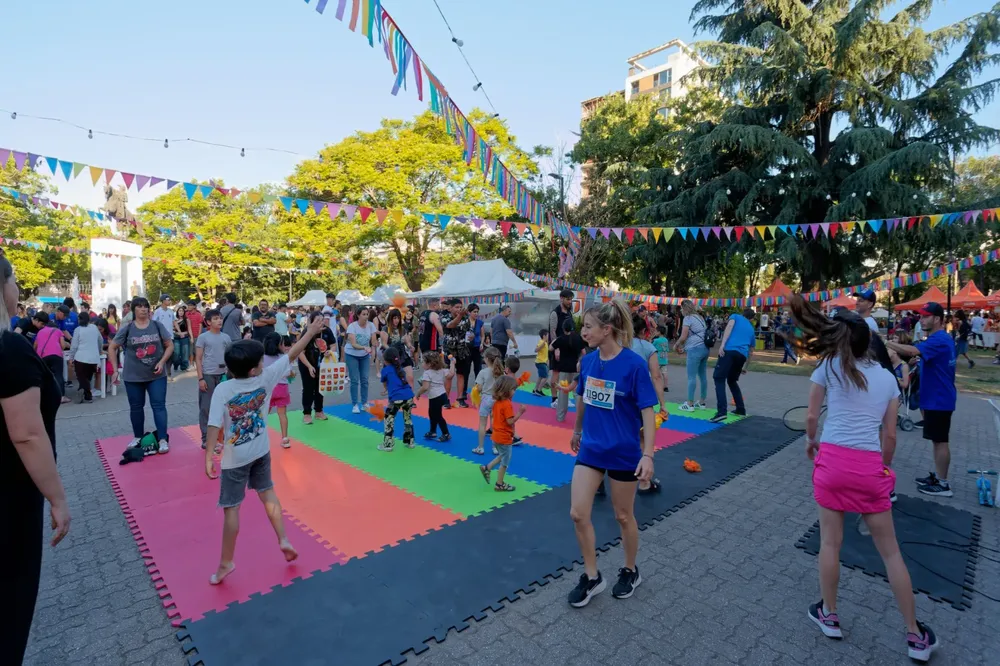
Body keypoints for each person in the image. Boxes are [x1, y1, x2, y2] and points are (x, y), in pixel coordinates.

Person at [787, 296, 938, 662]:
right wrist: (884, 468)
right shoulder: (887, 379)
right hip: (869, 467)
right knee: (890, 553)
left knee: (830, 544)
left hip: (832, 464)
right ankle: (915, 636)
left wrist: (811, 443)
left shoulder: (829, 367)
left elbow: (810, 417)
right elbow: (890, 437)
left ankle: (830, 615)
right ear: (869, 341)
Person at [204, 315, 326, 585]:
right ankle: (282, 538)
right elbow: (292, 353)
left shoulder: (224, 389)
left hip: (235, 460)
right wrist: (310, 332)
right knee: (268, 494)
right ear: (254, 369)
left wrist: (209, 455)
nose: (264, 363)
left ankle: (226, 563)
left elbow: (213, 425)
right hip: (260, 452)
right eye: (260, 361)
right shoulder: (266, 379)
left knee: (231, 509)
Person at [0, 252, 71, 664]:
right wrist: (58, 499)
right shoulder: (9, 350)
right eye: (15, 283)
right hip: (11, 496)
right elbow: (27, 434)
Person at [567, 300, 657, 607]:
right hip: (591, 449)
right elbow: (582, 398)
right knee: (578, 514)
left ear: (607, 329)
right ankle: (592, 577)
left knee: (622, 515)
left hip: (623, 452)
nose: (584, 332)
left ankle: (631, 570)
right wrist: (577, 430)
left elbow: (647, 411)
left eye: (589, 327)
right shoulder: (589, 362)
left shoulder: (634, 365)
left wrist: (648, 455)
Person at [886, 302, 957, 497]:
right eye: (921, 316)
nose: (921, 319)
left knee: (941, 441)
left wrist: (887, 343)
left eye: (925, 316)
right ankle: (939, 476)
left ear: (937, 319)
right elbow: (922, 357)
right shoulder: (939, 339)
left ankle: (943, 484)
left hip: (939, 399)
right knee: (936, 440)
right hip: (936, 398)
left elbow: (911, 350)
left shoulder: (939, 339)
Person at [109, 297, 174, 453]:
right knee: (136, 408)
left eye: (146, 306)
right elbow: (112, 348)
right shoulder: (127, 328)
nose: (143, 309)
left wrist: (162, 362)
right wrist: (115, 370)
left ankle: (163, 439)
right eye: (139, 307)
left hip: (156, 375)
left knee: (158, 406)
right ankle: (138, 436)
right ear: (134, 310)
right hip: (133, 376)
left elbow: (169, 345)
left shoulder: (157, 326)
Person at [478, 376, 525, 492]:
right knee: (505, 462)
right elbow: (510, 421)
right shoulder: (507, 404)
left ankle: (487, 467)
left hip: (496, 435)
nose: (515, 392)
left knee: (503, 455)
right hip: (504, 437)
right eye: (513, 390)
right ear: (507, 390)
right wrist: (520, 413)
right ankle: (499, 484)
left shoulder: (497, 402)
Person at [711, 308, 756, 423]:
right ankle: (740, 409)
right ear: (751, 318)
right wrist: (745, 367)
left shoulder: (735, 317)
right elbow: (751, 351)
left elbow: (729, 327)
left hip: (730, 351)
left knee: (719, 378)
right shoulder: (751, 329)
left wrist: (723, 345)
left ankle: (721, 412)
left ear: (743, 314)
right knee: (732, 381)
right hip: (741, 356)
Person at [196, 309, 233, 448]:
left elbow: (230, 357)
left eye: (220, 318)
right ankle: (206, 438)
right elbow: (198, 359)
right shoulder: (203, 337)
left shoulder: (226, 338)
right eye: (216, 318)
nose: (219, 321)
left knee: (226, 407)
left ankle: (223, 436)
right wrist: (201, 378)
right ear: (208, 322)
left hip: (223, 375)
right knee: (206, 407)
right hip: (208, 375)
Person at [675, 299, 710, 411]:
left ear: (684, 308)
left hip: (694, 349)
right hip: (705, 348)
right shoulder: (700, 317)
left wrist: (676, 344)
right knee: (703, 376)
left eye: (681, 308)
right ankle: (702, 402)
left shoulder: (688, 318)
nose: (681, 310)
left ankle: (689, 404)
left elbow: (684, 336)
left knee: (691, 377)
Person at [379, 347, 415, 452]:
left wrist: (386, 390)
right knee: (408, 418)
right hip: (409, 397)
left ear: (385, 360)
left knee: (389, 420)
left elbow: (385, 383)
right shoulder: (400, 369)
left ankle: (388, 444)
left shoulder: (385, 370)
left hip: (396, 399)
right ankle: (410, 442)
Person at [263, 333, 295, 449]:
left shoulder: (262, 358)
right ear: (279, 345)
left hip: (268, 389)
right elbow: (289, 373)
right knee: (282, 414)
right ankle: (285, 439)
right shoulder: (284, 358)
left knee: (263, 414)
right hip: (282, 388)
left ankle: (260, 438)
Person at [33, 311, 72, 404]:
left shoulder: (40, 332)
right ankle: (61, 397)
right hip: (56, 355)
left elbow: (35, 346)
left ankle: (44, 397)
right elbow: (63, 346)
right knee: (58, 375)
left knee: (43, 376)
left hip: (42, 357)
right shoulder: (58, 331)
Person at [551, 317, 585, 423]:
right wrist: (579, 361)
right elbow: (583, 352)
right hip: (575, 370)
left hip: (564, 370)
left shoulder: (561, 339)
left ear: (563, 328)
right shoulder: (578, 338)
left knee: (563, 394)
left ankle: (560, 417)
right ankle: (582, 417)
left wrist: (557, 347)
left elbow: (550, 348)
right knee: (577, 394)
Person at [439, 299, 472, 408]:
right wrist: (460, 316)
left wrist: (471, 336)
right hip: (450, 350)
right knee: (449, 375)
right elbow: (450, 325)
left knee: (461, 374)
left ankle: (460, 399)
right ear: (450, 308)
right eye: (456, 307)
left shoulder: (466, 318)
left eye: (460, 307)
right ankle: (445, 400)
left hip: (463, 350)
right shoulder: (444, 317)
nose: (459, 309)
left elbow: (469, 330)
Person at [345, 307, 378, 414]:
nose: (365, 316)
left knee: (365, 379)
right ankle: (355, 404)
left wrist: (374, 347)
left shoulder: (371, 325)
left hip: (364, 355)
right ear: (358, 315)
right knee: (354, 380)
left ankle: (364, 403)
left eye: (367, 314)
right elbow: (354, 344)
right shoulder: (352, 326)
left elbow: (373, 340)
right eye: (363, 314)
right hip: (351, 354)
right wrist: (364, 347)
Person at [473, 346, 505, 455]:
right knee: (494, 424)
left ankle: (480, 447)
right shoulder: (501, 372)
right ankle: (495, 447)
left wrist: (476, 392)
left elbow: (479, 388)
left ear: (486, 358)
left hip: (486, 399)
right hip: (497, 400)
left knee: (482, 424)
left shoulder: (483, 372)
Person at [415, 351, 453, 441]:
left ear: (429, 364)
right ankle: (433, 431)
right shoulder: (441, 370)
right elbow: (451, 375)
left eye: (423, 361)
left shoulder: (427, 373)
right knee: (432, 413)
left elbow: (425, 387)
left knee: (437, 416)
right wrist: (452, 363)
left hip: (436, 397)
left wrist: (418, 393)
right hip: (441, 395)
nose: (422, 363)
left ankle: (446, 433)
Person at [68, 311, 102, 403]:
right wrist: (98, 351)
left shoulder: (78, 330)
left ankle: (86, 393)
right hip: (93, 358)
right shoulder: (95, 328)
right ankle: (86, 395)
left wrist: (71, 357)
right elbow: (100, 340)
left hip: (80, 358)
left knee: (81, 377)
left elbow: (74, 345)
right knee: (88, 378)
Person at [549, 289, 576, 402]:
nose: (570, 301)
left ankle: (563, 398)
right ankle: (554, 399)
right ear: (561, 298)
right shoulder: (555, 313)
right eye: (567, 299)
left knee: (567, 373)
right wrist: (556, 348)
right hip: (557, 348)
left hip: (568, 348)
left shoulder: (569, 313)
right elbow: (553, 331)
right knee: (556, 373)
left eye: (571, 299)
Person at [381, 308, 415, 392]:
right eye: (394, 318)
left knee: (410, 377)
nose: (396, 320)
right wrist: (391, 351)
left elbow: (407, 342)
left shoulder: (402, 329)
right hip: (391, 357)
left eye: (398, 318)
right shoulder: (385, 329)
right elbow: (384, 344)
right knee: (393, 380)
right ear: (390, 318)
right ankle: (392, 397)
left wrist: (410, 346)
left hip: (403, 355)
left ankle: (411, 399)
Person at [172, 304, 192, 374]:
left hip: (185, 337)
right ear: (177, 312)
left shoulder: (186, 320)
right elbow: (172, 330)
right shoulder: (174, 320)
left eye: (182, 311)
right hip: (176, 337)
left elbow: (189, 329)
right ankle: (176, 364)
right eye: (179, 311)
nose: (181, 312)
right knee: (176, 353)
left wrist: (191, 337)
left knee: (185, 353)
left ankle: (184, 366)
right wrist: (178, 333)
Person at [651, 326, 670, 393]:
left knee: (657, 374)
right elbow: (667, 349)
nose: (655, 332)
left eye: (656, 331)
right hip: (664, 358)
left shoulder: (656, 340)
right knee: (665, 373)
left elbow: (651, 346)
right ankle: (666, 386)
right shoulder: (666, 340)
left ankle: (658, 385)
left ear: (659, 332)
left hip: (657, 359)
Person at [533, 329, 551, 397]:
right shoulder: (542, 342)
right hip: (540, 362)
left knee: (541, 376)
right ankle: (539, 390)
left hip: (541, 362)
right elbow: (536, 350)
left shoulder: (545, 343)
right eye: (547, 335)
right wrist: (543, 344)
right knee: (545, 377)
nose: (548, 337)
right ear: (544, 336)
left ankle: (535, 389)